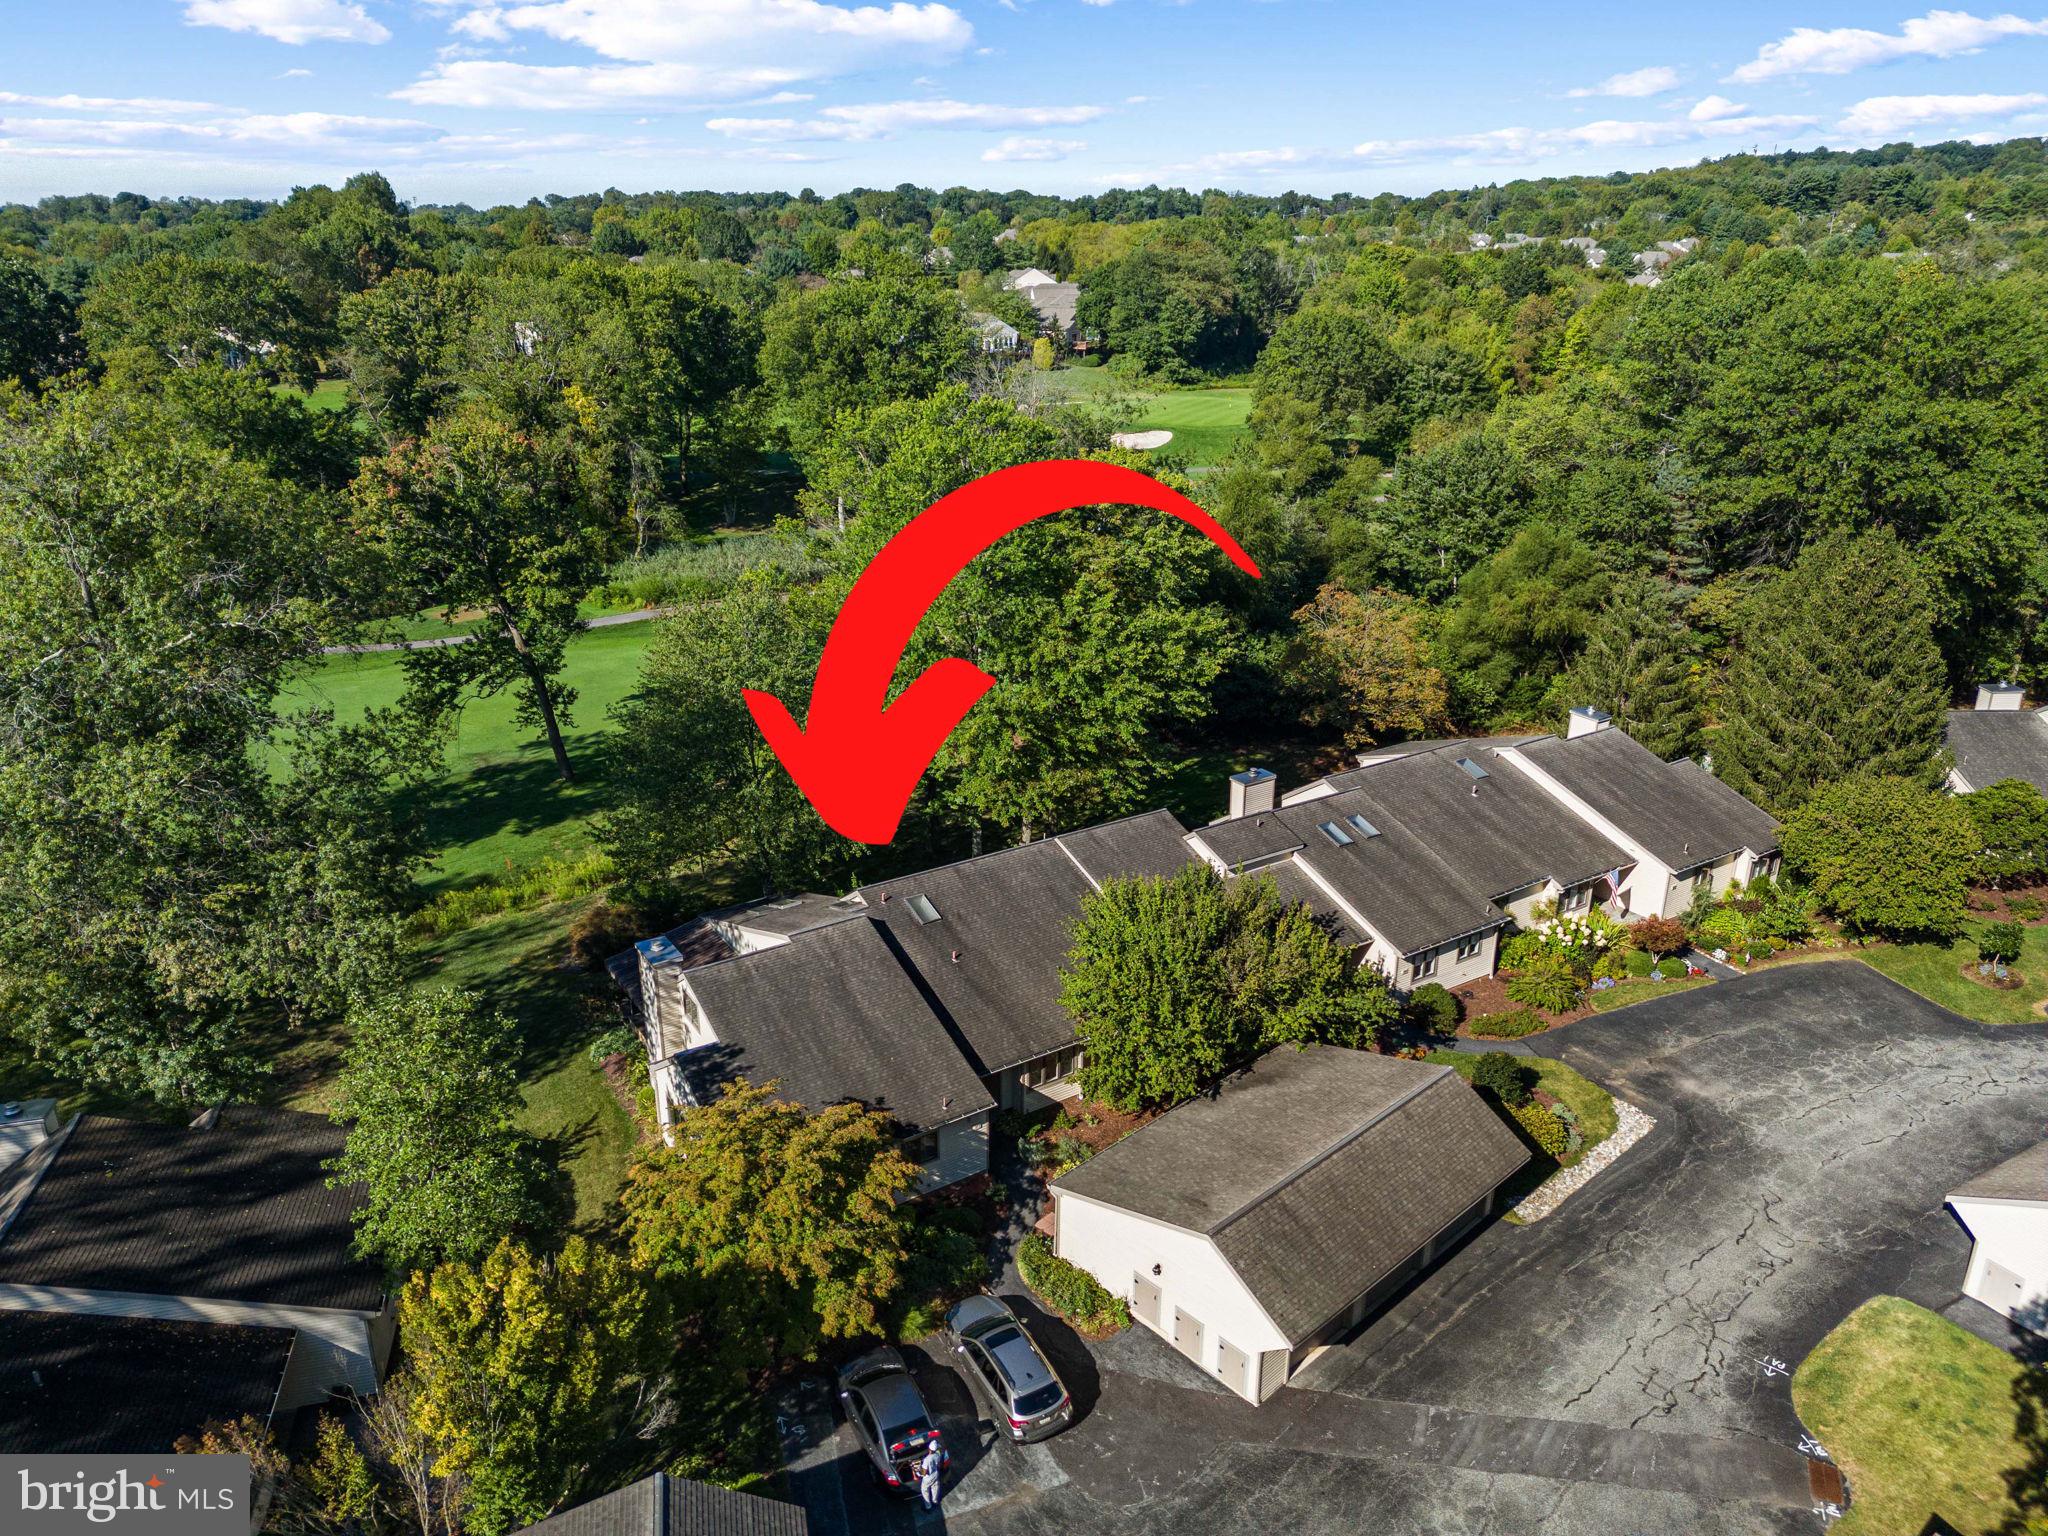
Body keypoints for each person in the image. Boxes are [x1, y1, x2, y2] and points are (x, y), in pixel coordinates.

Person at [918, 1440, 943, 1509]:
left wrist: (918, 1471)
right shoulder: (938, 1455)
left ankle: (928, 1506)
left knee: (925, 1491)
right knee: (935, 1488)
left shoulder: (926, 1460)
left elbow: (924, 1473)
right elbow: (939, 1465)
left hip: (927, 1479)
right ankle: (935, 1501)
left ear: (929, 1449)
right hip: (935, 1475)